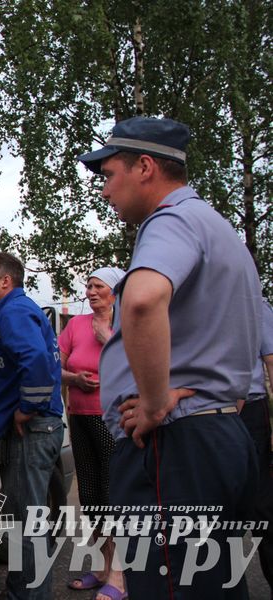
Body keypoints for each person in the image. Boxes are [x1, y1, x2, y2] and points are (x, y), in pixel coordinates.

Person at [78, 116, 262, 599]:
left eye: (108, 174)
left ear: (144, 167)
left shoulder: (172, 220)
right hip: (216, 433)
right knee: (211, 584)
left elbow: (140, 299)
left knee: (171, 586)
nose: (104, 190)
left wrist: (157, 401)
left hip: (175, 444)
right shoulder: (218, 229)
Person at [0, 252, 64, 600]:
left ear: (6, 281)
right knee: (20, 519)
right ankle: (19, 591)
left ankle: (31, 596)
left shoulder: (15, 311)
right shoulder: (9, 314)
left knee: (27, 520)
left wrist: (27, 408)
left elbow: (35, 359)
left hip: (33, 430)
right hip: (37, 430)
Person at [58, 267, 126, 600]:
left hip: (113, 417)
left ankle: (120, 576)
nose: (91, 291)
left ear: (115, 291)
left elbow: (138, 364)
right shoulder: (75, 325)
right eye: (88, 286)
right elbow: (56, 366)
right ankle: (102, 567)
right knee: (90, 494)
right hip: (80, 415)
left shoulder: (127, 324)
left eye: (99, 286)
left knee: (115, 494)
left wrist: (107, 339)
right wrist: (74, 380)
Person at [239, 299, 273, 591]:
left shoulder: (254, 306)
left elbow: (272, 361)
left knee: (263, 507)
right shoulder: (201, 302)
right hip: (210, 412)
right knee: (218, 508)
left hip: (251, 410)